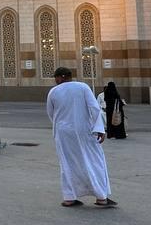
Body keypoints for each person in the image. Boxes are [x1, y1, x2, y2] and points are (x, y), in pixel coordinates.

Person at [46, 67, 116, 208]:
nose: (55, 80)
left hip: (63, 132)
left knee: (67, 163)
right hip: (84, 130)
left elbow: (51, 113)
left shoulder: (53, 91)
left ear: (62, 76)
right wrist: (99, 129)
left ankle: (69, 198)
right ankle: (101, 197)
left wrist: (61, 125)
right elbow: (94, 108)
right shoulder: (82, 87)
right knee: (94, 161)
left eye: (56, 77)